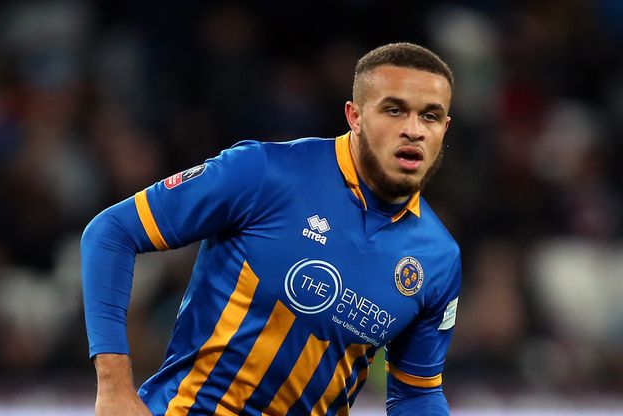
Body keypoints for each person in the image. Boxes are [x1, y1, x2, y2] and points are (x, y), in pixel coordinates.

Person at [81, 42, 461, 416]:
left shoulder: (438, 258)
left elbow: (416, 395)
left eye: (430, 116)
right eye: (394, 110)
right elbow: (111, 232)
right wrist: (114, 389)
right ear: (355, 116)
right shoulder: (264, 172)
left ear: (444, 128)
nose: (414, 130)